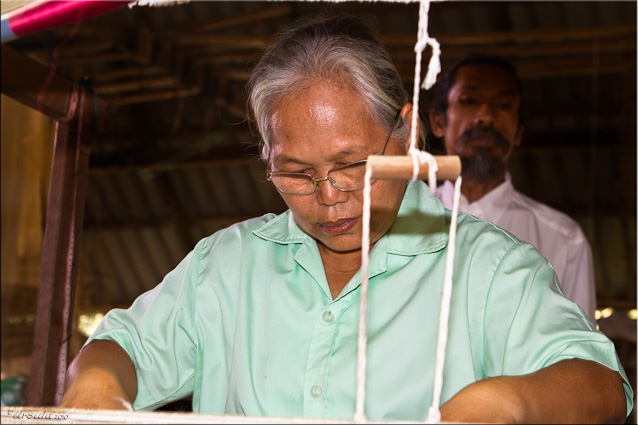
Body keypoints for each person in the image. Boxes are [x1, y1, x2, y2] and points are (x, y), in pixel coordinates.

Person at [60, 14, 632, 423]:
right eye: (296, 174)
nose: (329, 197)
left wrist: (510, 402)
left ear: (408, 135)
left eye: (352, 165)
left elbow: (602, 385)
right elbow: (121, 346)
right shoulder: (227, 265)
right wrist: (97, 388)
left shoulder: (486, 267)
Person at [429, 54, 597, 323]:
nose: (485, 116)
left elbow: (579, 356)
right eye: (469, 101)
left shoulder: (564, 240)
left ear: (519, 132)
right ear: (438, 122)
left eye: (503, 105)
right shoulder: (400, 220)